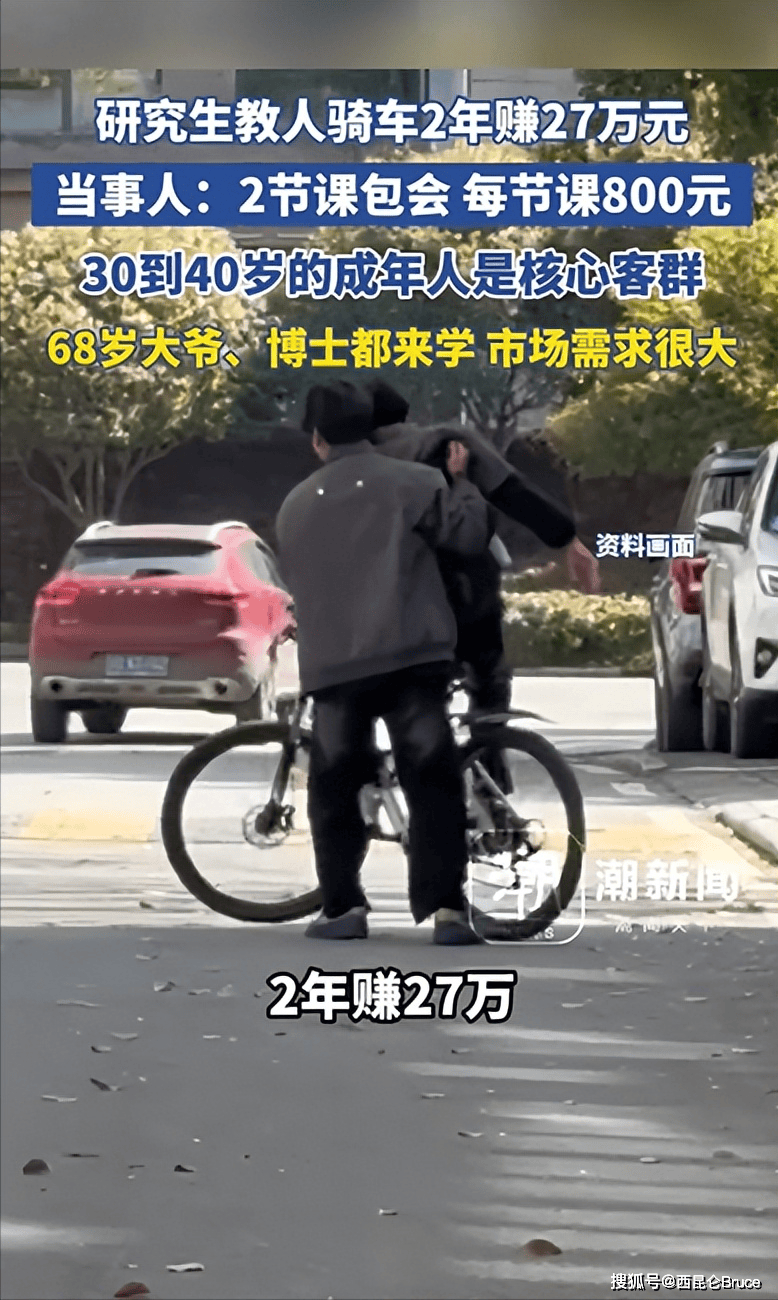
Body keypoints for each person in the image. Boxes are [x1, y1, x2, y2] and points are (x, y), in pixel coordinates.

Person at [275, 381, 492, 945]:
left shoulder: (296, 505)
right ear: (371, 431)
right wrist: (463, 484)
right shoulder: (419, 483)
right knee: (432, 778)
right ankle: (448, 911)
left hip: (336, 668)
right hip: (412, 656)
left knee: (335, 783)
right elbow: (468, 539)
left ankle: (343, 907)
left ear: (317, 438)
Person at [364, 380, 601, 735]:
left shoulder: (349, 466)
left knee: (417, 693)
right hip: (465, 591)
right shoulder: (447, 442)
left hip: (396, 600)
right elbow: (512, 492)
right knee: (488, 674)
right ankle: (490, 751)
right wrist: (567, 538)